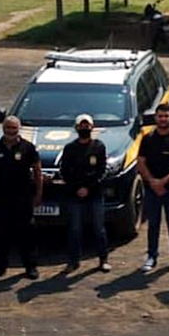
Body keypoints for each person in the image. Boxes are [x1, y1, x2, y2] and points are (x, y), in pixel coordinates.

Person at [0, 115, 43, 280]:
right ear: (3, 128)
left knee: (27, 234)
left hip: (23, 198)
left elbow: (38, 172)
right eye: (8, 128)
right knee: (0, 234)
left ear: (18, 129)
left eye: (13, 128)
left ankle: (30, 267)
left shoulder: (28, 148)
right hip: (0, 198)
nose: (10, 131)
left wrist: (38, 194)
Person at [137, 103, 169, 273]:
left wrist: (163, 182)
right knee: (153, 223)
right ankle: (152, 256)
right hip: (152, 190)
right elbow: (141, 163)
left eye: (166, 116)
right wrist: (152, 182)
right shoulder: (148, 139)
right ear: (155, 118)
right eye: (160, 116)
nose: (163, 119)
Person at [59, 114, 110, 273]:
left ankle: (103, 260)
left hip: (94, 193)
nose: (84, 128)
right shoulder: (69, 148)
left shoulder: (99, 147)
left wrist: (88, 187)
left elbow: (102, 171)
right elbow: (65, 171)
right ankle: (73, 261)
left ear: (92, 127)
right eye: (81, 125)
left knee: (99, 228)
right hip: (74, 194)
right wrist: (77, 188)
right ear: (76, 128)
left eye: (87, 125)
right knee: (74, 228)